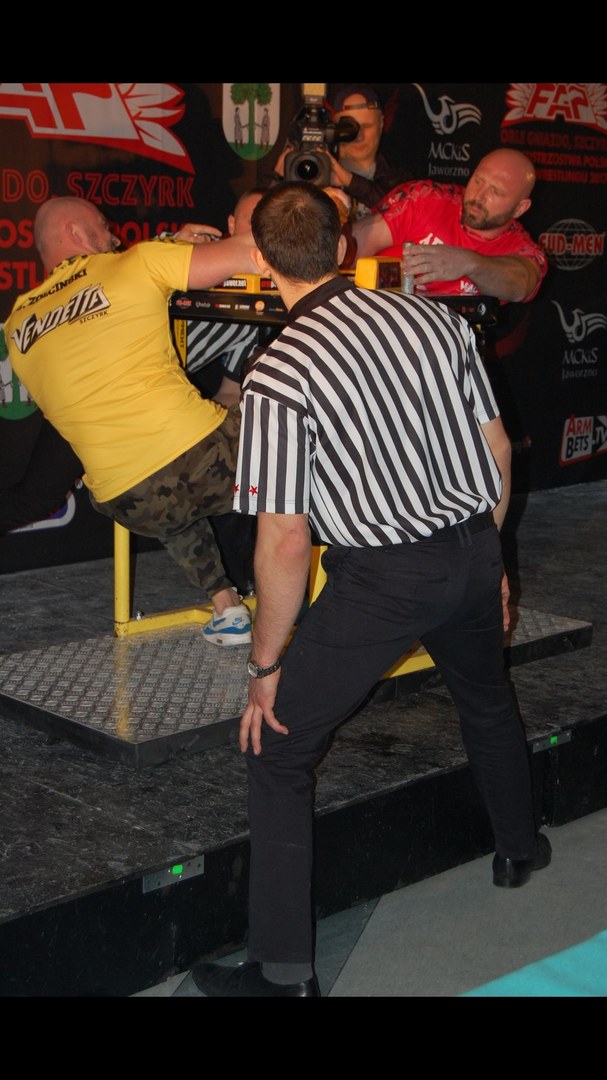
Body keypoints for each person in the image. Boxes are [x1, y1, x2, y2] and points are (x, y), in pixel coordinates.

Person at [191, 182, 552, 998]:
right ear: (345, 246)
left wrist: (263, 665)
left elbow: (284, 539)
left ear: (260, 261)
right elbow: (497, 451)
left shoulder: (279, 371)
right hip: (470, 546)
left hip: (386, 578)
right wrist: (489, 562)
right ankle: (518, 848)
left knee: (276, 749)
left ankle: (283, 975)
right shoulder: (435, 320)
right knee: (485, 699)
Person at [4, 196, 258, 646]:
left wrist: (167, 245)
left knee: (168, 499)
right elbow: (250, 252)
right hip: (210, 466)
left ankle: (226, 607)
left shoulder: (17, 324)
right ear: (76, 233)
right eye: (104, 227)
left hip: (129, 502)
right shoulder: (137, 263)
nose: (115, 236)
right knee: (291, 420)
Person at [352, 147, 548, 304]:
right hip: (377, 318)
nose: (479, 196)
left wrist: (470, 264)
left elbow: (522, 284)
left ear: (520, 208)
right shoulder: (426, 198)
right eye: (478, 181)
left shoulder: (520, 247)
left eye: (496, 192)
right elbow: (355, 244)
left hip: (448, 338)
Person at [271, 85, 413, 222]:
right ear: (333, 127)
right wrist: (277, 183)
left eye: (367, 126)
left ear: (381, 123)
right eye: (349, 129)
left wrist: (349, 180)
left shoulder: (399, 181)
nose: (359, 136)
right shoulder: (313, 174)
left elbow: (401, 213)